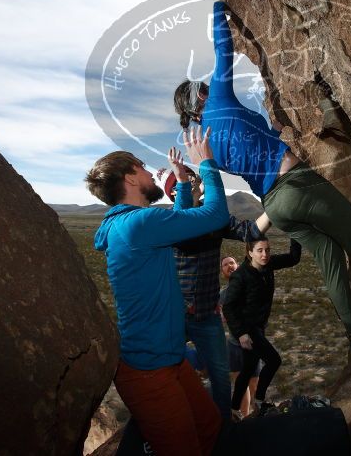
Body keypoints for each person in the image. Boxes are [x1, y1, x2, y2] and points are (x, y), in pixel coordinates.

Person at [173, 0, 351, 355]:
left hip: (276, 207)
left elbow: (246, 155)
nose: (209, 89)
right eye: (204, 88)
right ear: (200, 96)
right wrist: (217, 10)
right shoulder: (219, 101)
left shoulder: (207, 142)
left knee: (328, 255)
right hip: (296, 184)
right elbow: (222, 48)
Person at [84, 128, 226, 456]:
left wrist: (184, 184)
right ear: (130, 178)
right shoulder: (138, 224)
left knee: (209, 426)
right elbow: (215, 215)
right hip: (148, 371)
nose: (151, 173)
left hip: (169, 359)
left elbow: (179, 221)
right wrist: (206, 164)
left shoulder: (132, 224)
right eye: (143, 167)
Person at [156, 163, 271, 420]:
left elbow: (249, 231)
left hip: (207, 315)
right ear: (175, 192)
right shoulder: (167, 221)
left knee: (220, 374)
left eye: (194, 176)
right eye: (186, 179)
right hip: (177, 314)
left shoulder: (214, 219)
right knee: (167, 369)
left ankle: (225, 425)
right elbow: (182, 229)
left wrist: (276, 207)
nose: (195, 180)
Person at [222, 236, 301, 420]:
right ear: (250, 253)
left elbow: (293, 258)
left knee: (248, 369)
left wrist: (295, 234)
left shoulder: (269, 264)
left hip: (259, 326)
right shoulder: (240, 275)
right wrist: (241, 333)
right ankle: (259, 401)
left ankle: (234, 409)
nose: (264, 254)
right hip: (248, 328)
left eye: (267, 250)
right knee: (274, 361)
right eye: (259, 250)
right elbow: (228, 306)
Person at [218, 256, 261, 419]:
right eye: (225, 265)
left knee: (254, 385)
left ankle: (259, 416)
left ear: (237, 266)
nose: (229, 265)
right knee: (240, 386)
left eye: (232, 263)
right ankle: (244, 416)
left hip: (252, 344)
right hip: (234, 346)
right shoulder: (222, 295)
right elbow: (221, 318)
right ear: (223, 272)